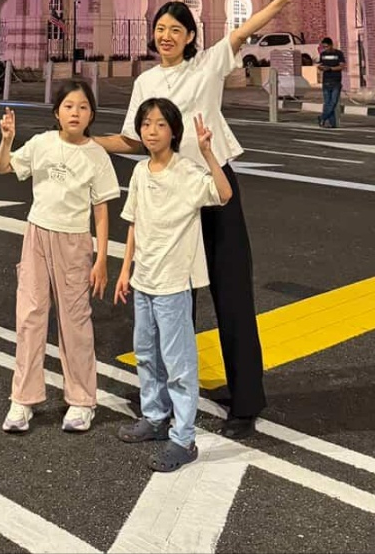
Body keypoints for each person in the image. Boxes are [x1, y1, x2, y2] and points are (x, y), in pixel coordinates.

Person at [96, 0, 309, 438]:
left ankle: (245, 403)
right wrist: (87, 141)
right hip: (168, 193)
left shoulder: (208, 64)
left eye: (176, 29)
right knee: (175, 301)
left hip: (212, 185)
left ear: (192, 36)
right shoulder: (145, 83)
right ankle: (170, 403)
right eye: (160, 29)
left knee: (231, 291)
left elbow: (244, 30)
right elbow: (134, 139)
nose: (166, 35)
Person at [0, 80, 119, 435]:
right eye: (68, 106)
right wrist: (7, 140)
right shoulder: (41, 144)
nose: (75, 113)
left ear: (91, 114)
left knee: (75, 321)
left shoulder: (96, 154)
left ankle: (81, 401)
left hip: (74, 241)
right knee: (30, 316)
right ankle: (23, 399)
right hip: (37, 234)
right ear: (57, 113)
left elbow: (101, 210)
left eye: (82, 107)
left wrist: (100, 259)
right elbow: (4, 169)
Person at [114, 100, 232, 473]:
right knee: (146, 353)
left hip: (173, 282)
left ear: (173, 132)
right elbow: (132, 222)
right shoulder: (139, 173)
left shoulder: (187, 172)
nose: (151, 131)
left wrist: (210, 152)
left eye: (160, 125)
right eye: (146, 124)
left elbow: (224, 193)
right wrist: (124, 270)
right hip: (144, 278)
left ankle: (183, 438)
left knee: (179, 364)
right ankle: (154, 417)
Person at [316, 36, 346, 129]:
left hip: (336, 81)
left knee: (333, 102)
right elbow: (320, 64)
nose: (325, 48)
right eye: (324, 47)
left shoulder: (338, 54)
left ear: (331, 45)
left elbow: (341, 66)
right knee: (327, 102)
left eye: (326, 46)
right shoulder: (323, 54)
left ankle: (322, 118)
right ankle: (332, 123)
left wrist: (331, 68)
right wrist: (321, 68)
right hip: (326, 81)